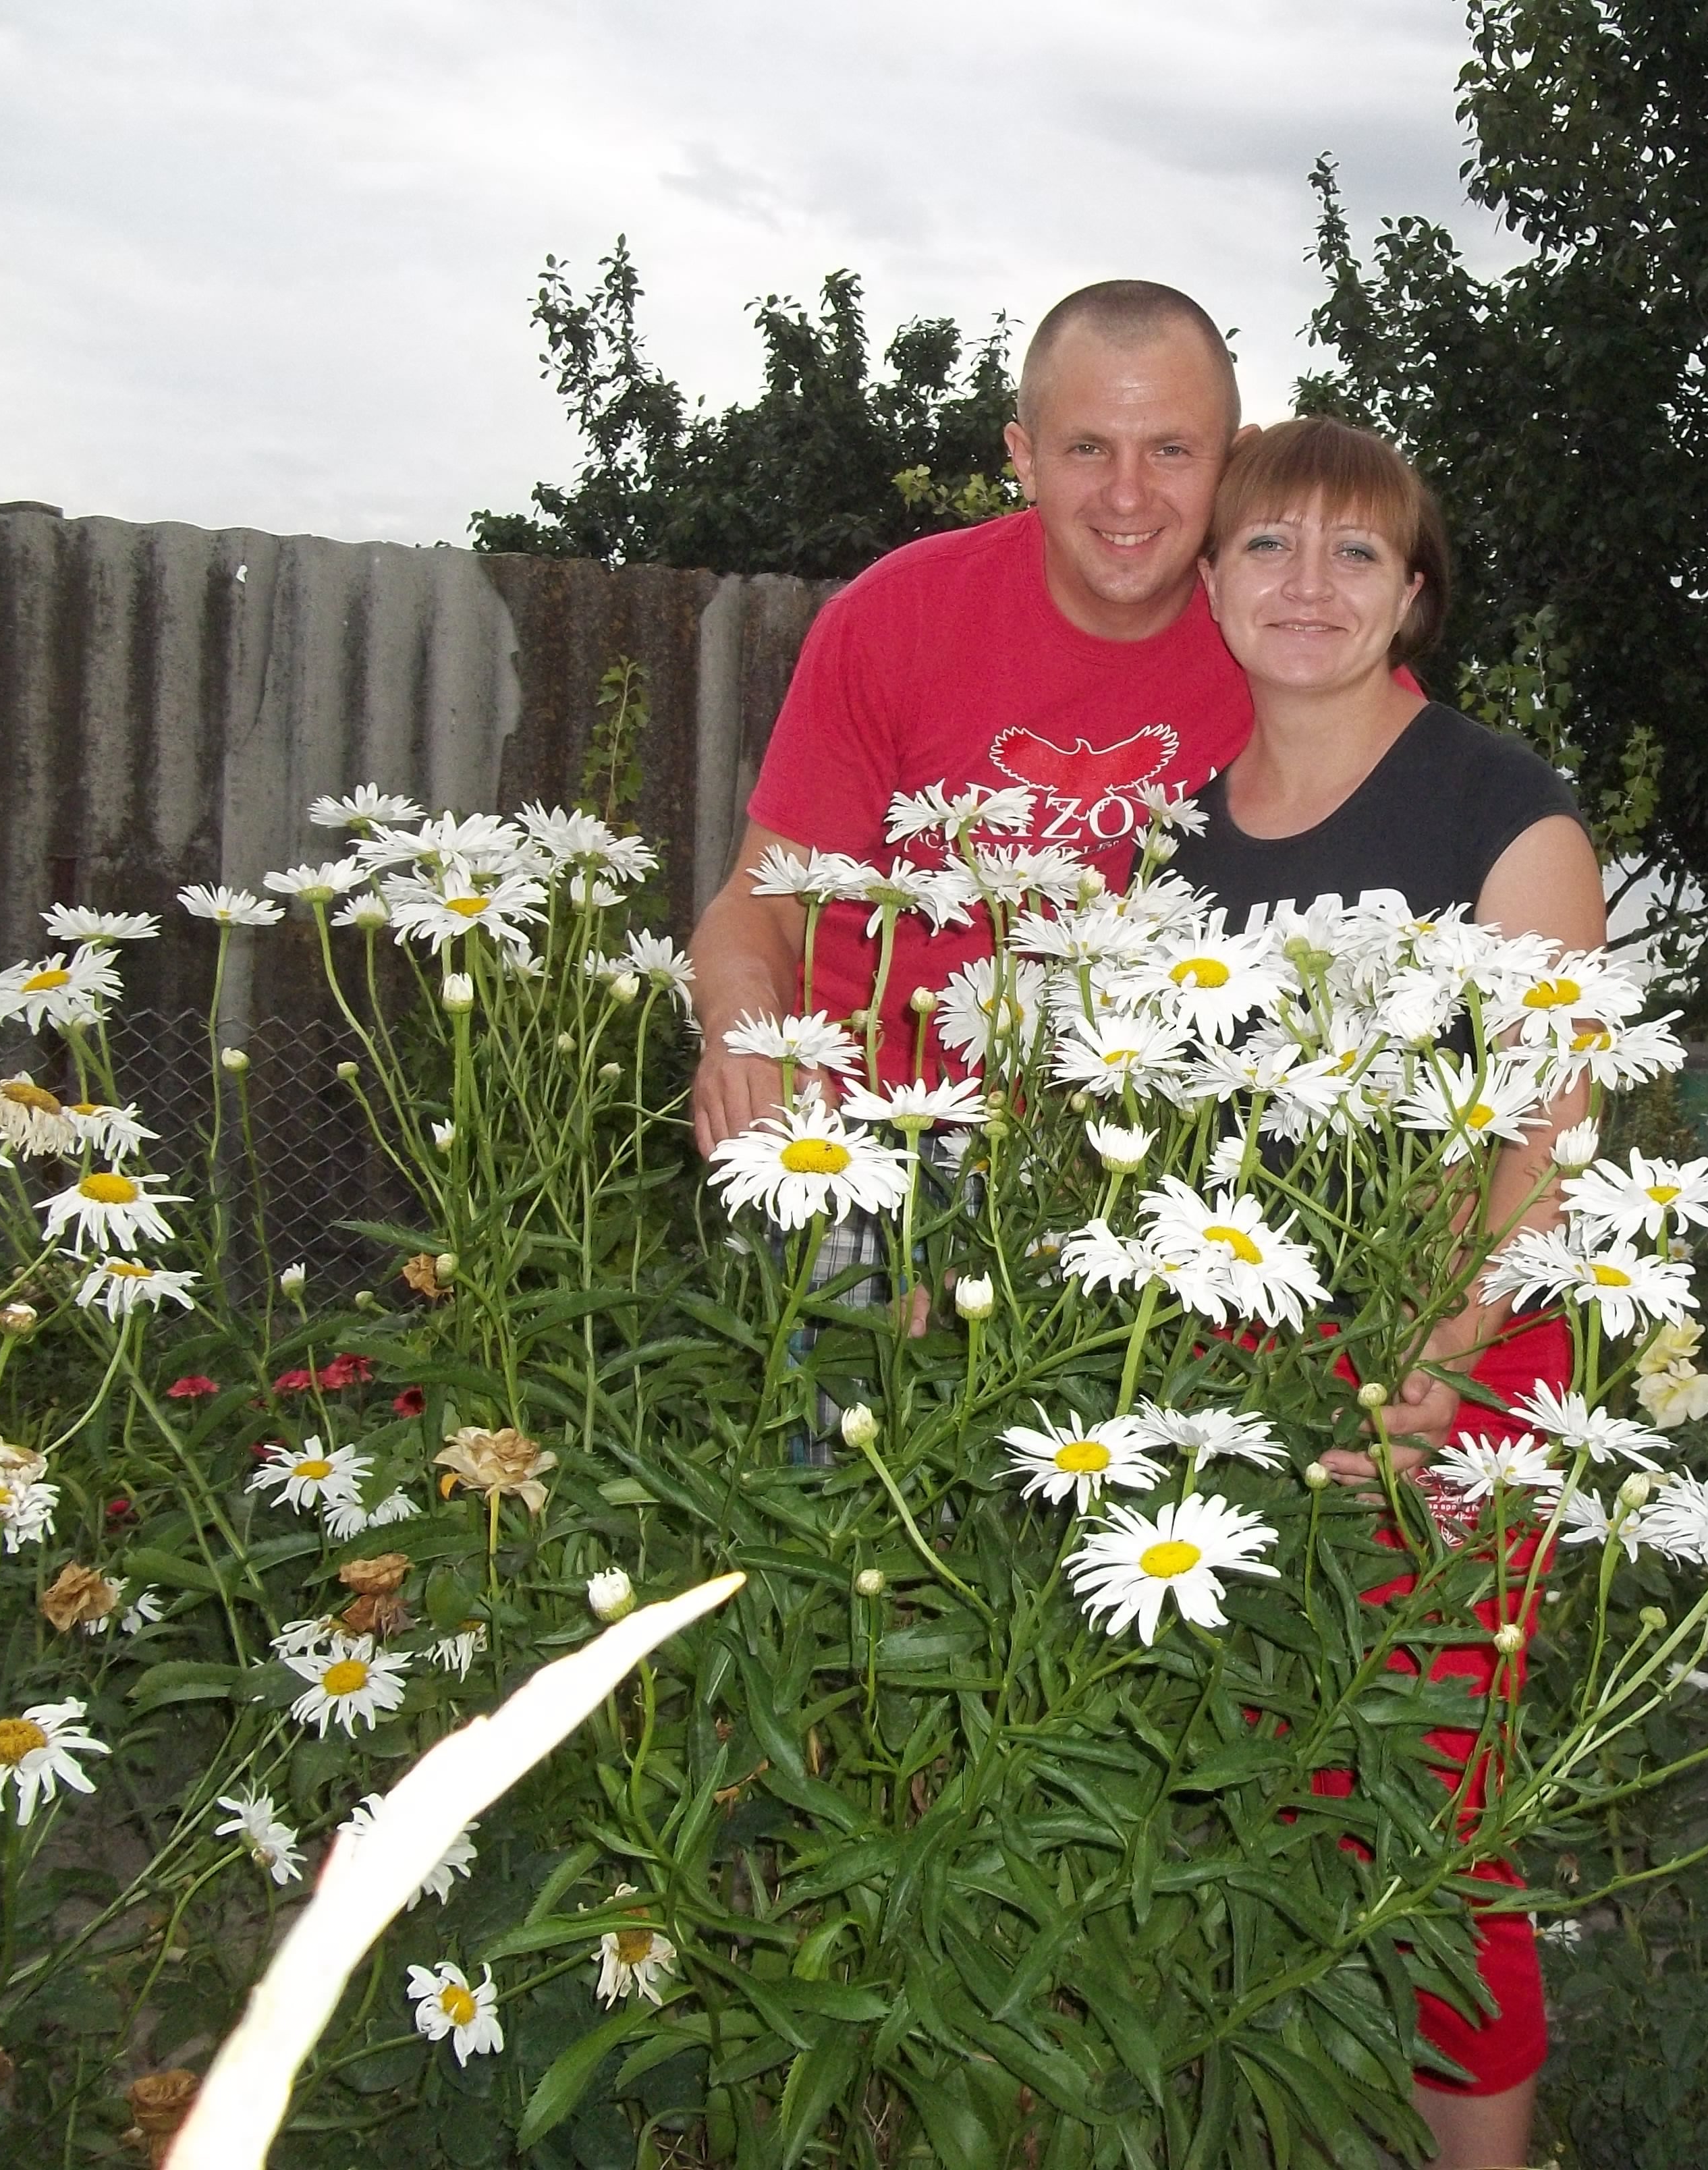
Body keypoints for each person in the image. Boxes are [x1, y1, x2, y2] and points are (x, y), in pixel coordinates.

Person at [1167, 416, 1608, 2169]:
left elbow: (1547, 1142)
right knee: (1255, 1775)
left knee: (1432, 1810)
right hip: (1252, 1357)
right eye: (1270, 546)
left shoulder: (1509, 816)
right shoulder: (1176, 850)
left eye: (1357, 554)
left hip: (1466, 1362)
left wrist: (1424, 1374)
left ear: (1413, 595)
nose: (1307, 587)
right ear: (1209, 583)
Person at [687, 279, 1255, 1151]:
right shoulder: (897, 616)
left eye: (1173, 450)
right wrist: (745, 1044)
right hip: (864, 1127)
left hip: (1135, 1144)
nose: (1128, 495)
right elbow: (758, 906)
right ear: (1025, 458)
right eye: (1088, 449)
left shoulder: (1291, 641)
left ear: (1237, 461)